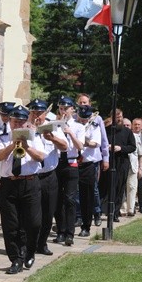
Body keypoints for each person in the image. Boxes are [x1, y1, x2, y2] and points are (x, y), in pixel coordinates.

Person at [0, 105, 45, 275]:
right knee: (11, 225)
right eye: (16, 122)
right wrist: (12, 145)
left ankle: (30, 251)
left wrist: (26, 146)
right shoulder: (2, 137)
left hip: (30, 182)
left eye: (22, 122)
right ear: (10, 122)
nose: (18, 125)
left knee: (34, 222)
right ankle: (16, 259)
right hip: (9, 183)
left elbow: (41, 157)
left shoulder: (35, 137)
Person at [27, 99, 66, 254]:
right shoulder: (24, 127)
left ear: (45, 113)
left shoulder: (53, 127)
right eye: (34, 112)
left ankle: (42, 244)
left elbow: (64, 147)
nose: (37, 116)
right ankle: (29, 244)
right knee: (31, 214)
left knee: (48, 213)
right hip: (32, 176)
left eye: (40, 113)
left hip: (49, 176)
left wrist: (52, 138)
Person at [53, 96, 83, 246]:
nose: (63, 111)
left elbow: (80, 147)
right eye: (61, 108)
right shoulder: (55, 125)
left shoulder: (78, 127)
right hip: (57, 164)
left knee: (70, 200)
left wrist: (70, 133)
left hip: (71, 164)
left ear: (72, 109)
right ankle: (60, 231)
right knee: (57, 200)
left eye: (66, 108)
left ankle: (70, 233)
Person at [76, 93, 109, 226]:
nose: (83, 105)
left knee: (93, 188)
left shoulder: (97, 119)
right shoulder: (74, 118)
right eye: (81, 103)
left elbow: (104, 140)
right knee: (77, 189)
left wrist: (106, 158)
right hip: (77, 158)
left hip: (92, 158)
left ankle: (96, 212)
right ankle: (79, 215)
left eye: (86, 103)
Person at [101, 109, 136, 222]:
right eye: (116, 117)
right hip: (108, 161)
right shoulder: (106, 130)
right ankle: (106, 210)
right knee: (108, 187)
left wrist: (120, 148)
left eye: (120, 116)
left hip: (122, 162)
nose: (119, 119)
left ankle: (115, 213)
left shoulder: (127, 132)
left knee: (120, 188)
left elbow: (132, 147)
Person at [75, 105, 101, 237]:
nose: (84, 120)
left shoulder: (95, 126)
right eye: (82, 117)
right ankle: (67, 225)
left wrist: (81, 139)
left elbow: (94, 144)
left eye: (86, 118)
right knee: (70, 196)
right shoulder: (73, 125)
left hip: (87, 165)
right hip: (73, 163)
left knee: (87, 197)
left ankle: (86, 226)